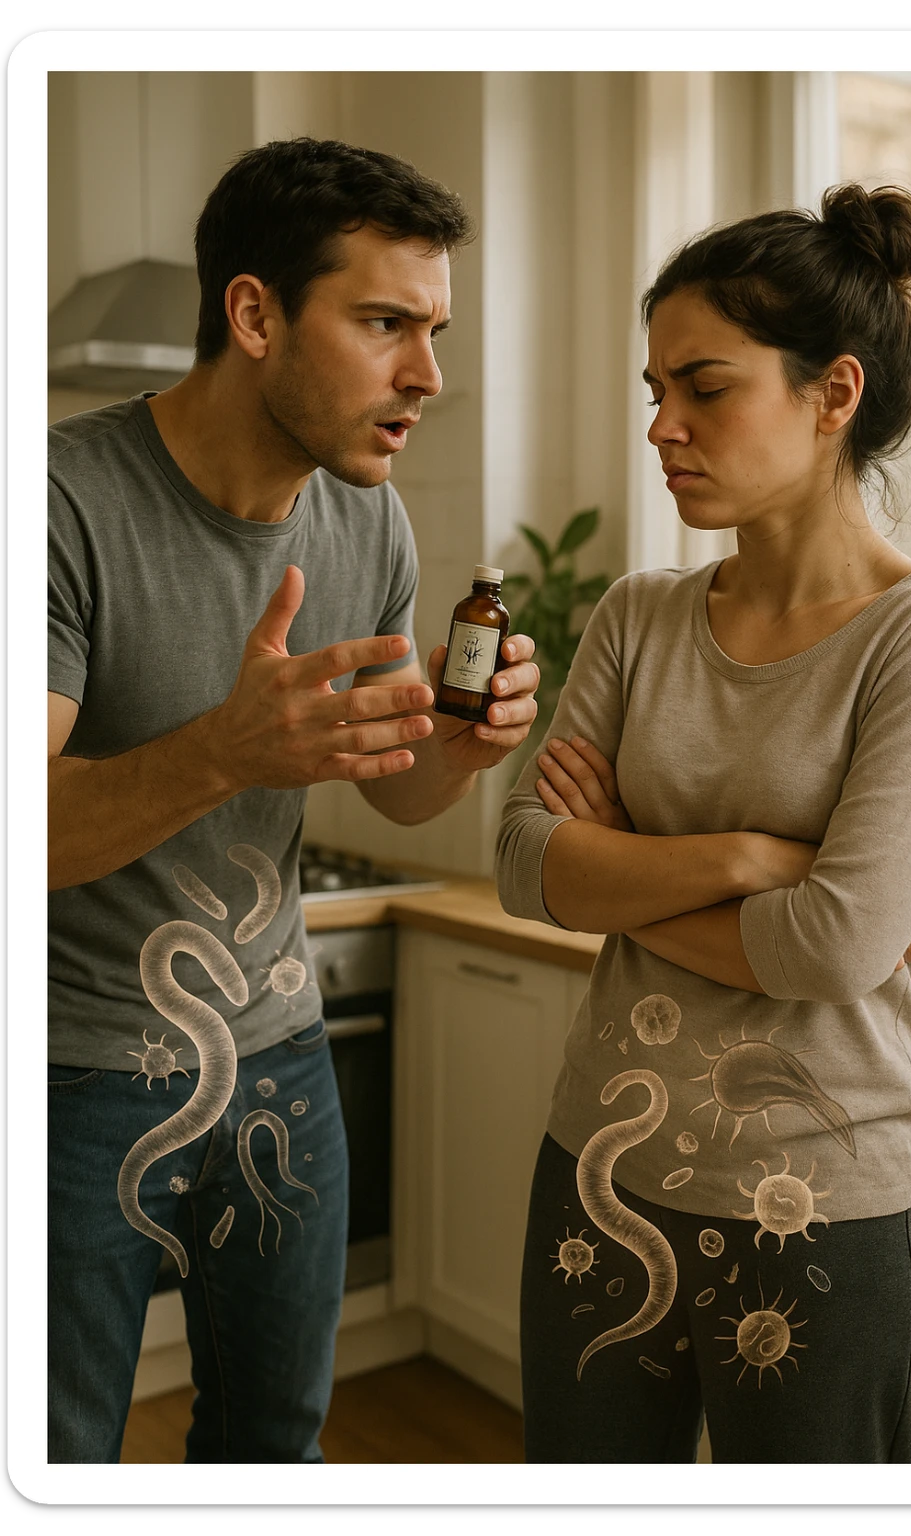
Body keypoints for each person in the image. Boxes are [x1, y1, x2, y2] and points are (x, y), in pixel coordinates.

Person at [47, 137, 540, 1464]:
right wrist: (223, 750)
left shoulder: (368, 522)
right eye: (386, 324)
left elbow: (392, 789)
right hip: (67, 1074)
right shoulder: (54, 504)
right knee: (62, 1449)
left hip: (278, 1052)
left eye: (433, 330)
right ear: (254, 315)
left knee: (275, 1444)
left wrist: (463, 740)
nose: (428, 375)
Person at [496, 183, 911, 1464]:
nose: (663, 425)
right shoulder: (639, 614)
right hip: (595, 1174)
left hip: (822, 1210)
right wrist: (752, 861)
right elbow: (523, 861)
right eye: (654, 390)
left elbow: (838, 945)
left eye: (704, 388)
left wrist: (628, 872)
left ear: (834, 396)